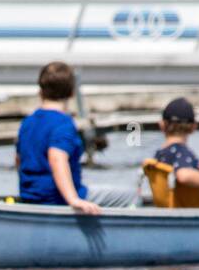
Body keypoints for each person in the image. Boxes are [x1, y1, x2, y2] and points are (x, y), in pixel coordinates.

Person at [15, 61, 133, 214]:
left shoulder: (28, 122)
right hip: (57, 199)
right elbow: (57, 158)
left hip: (30, 197)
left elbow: (19, 160)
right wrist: (73, 200)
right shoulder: (63, 124)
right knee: (131, 196)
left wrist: (28, 192)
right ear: (71, 92)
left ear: (41, 91)